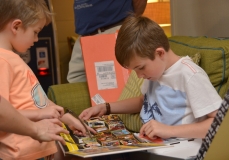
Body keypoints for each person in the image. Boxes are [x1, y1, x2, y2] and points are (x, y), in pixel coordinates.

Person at [79, 15, 223, 140]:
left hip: (181, 150)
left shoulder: (190, 75)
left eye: (141, 67)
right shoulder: (155, 74)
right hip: (151, 144)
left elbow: (219, 122)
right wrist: (106, 107)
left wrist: (168, 130)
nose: (139, 75)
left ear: (159, 53)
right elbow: (143, 100)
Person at [0, 0, 94, 159]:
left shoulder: (12, 58)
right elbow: (3, 114)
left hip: (36, 149)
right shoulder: (3, 61)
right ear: (16, 26)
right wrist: (39, 116)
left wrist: (64, 116)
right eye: (35, 32)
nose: (36, 39)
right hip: (21, 153)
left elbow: (37, 102)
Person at [67, 0, 147, 83]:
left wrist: (129, 27)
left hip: (112, 31)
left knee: (115, 87)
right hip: (84, 36)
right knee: (75, 83)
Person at [0, 95, 69, 144]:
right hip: (21, 148)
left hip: (41, 144)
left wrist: (66, 118)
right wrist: (36, 128)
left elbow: (38, 96)